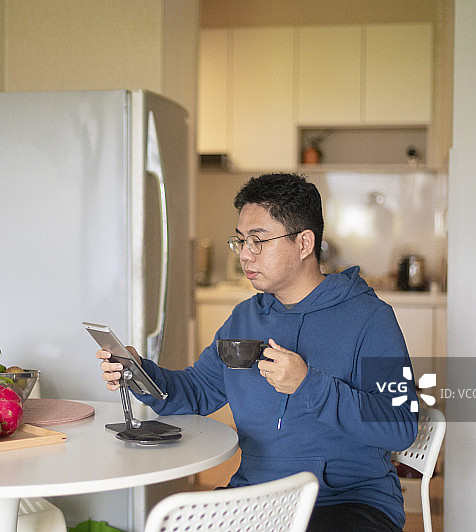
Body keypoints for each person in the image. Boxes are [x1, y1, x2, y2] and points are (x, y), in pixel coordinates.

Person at [97, 172, 418, 531]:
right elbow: (197, 390)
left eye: (258, 241)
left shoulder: (370, 318)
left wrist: (308, 384)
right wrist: (140, 373)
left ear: (304, 243)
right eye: (240, 240)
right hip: (257, 497)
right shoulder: (245, 318)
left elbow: (400, 426)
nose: (245, 254)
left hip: (346, 501)